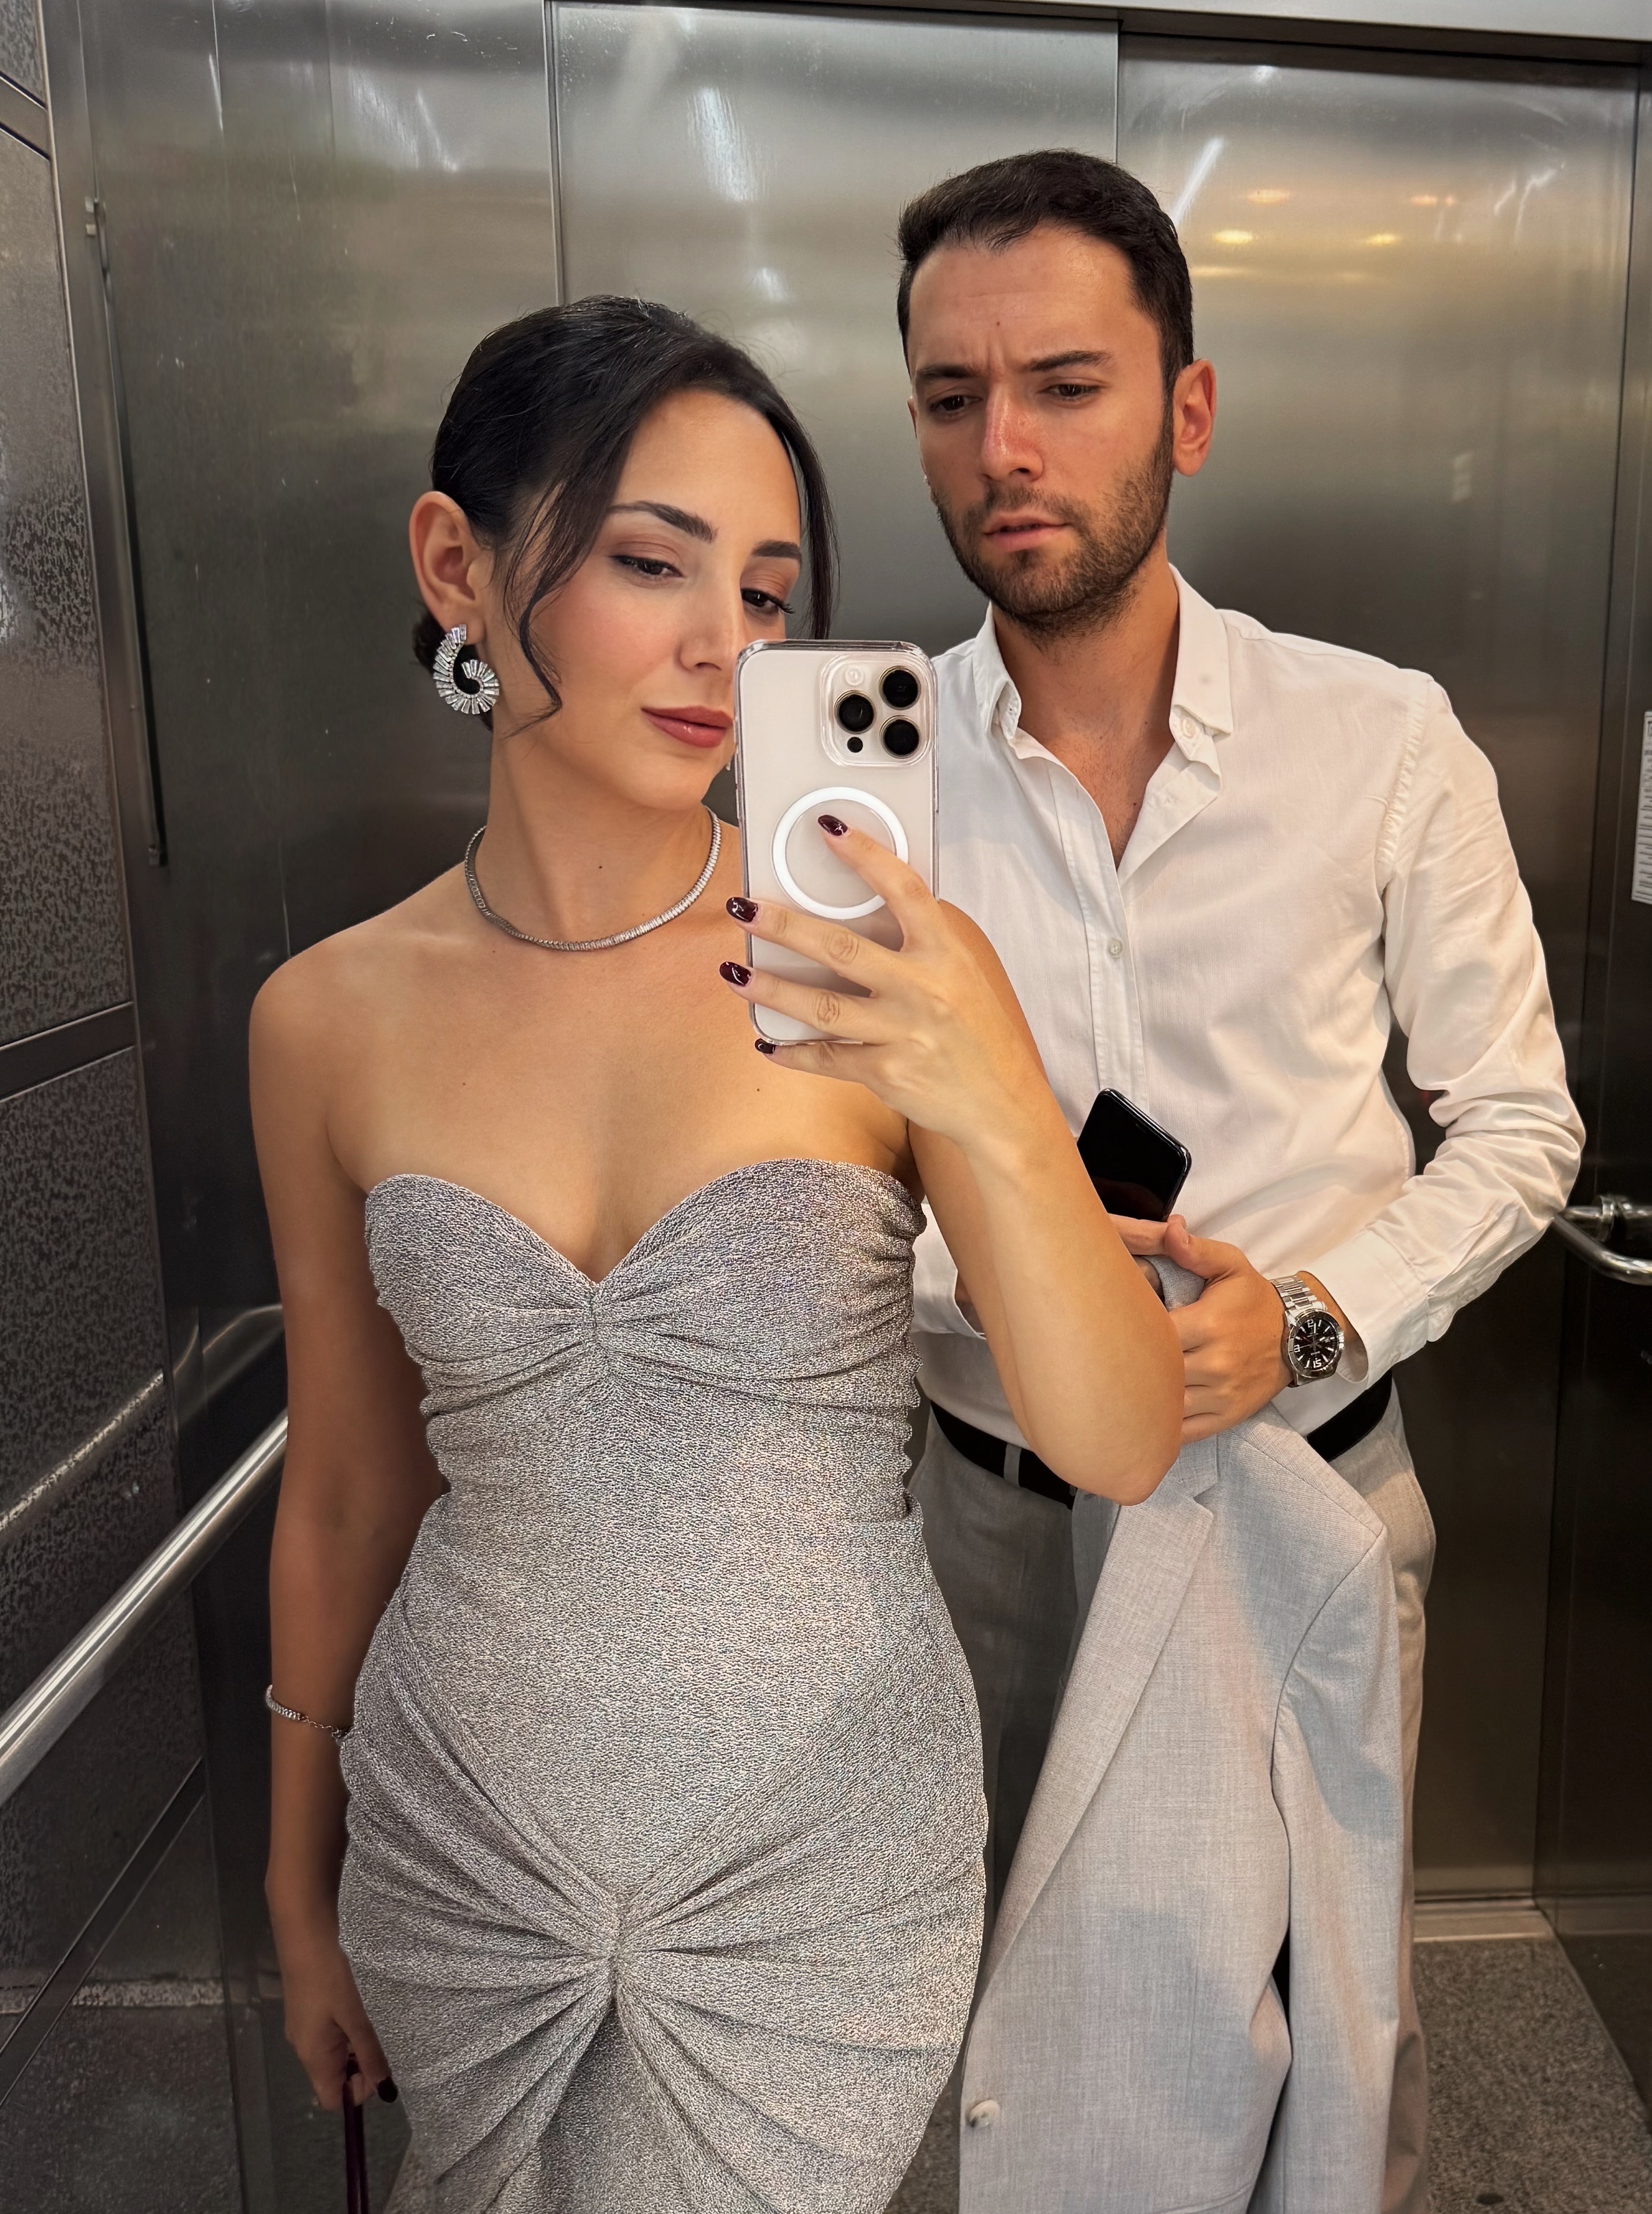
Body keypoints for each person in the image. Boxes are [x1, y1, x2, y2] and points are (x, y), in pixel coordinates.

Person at [250, 295, 1181, 2214]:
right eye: (647, 562)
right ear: (456, 565)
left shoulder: (883, 969)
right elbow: (344, 1492)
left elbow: (1117, 1438)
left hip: (818, 1844)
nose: (721, 647)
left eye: (765, 593)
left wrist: (992, 1091)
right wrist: (293, 1872)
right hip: (463, 1834)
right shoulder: (327, 1018)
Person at [896, 150, 1584, 2214]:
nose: (1004, 450)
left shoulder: (1380, 742)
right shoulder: (869, 780)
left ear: (1186, 411)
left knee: (1323, 2028)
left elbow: (1521, 1123)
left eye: (1065, 386)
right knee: (1000, 2032)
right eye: (951, 397)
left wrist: (1300, 1318)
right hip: (987, 1514)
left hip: (1301, 1484)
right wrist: (981, 1269)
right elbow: (801, 1158)